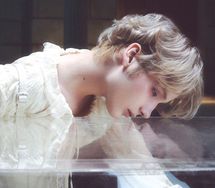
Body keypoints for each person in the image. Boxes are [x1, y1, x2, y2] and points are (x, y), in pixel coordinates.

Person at [0, 13, 203, 188]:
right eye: (154, 91)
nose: (148, 112)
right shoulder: (22, 83)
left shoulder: (107, 109)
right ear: (131, 55)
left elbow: (145, 174)